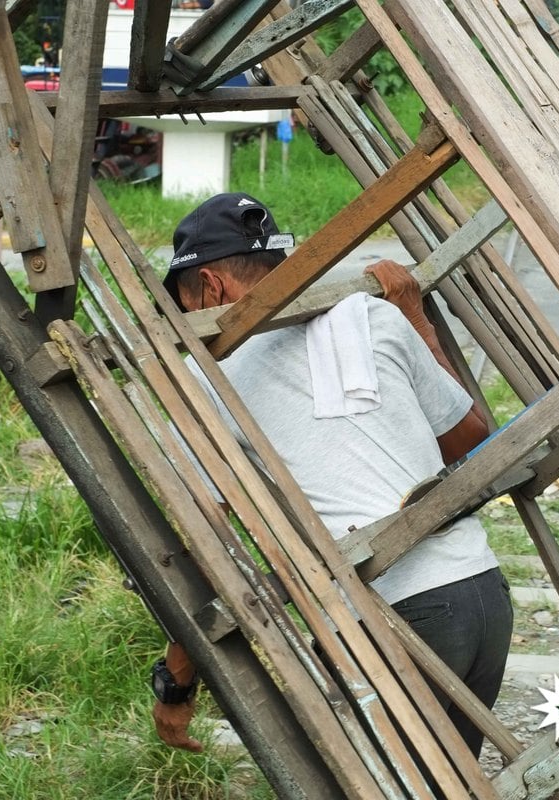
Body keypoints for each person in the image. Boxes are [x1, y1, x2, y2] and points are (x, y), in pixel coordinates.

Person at [151, 192, 512, 761]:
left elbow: (204, 546)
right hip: (481, 593)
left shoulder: (207, 379)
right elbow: (468, 436)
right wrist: (416, 318)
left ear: (211, 287)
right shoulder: (369, 316)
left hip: (389, 612)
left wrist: (176, 682)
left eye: (183, 299)